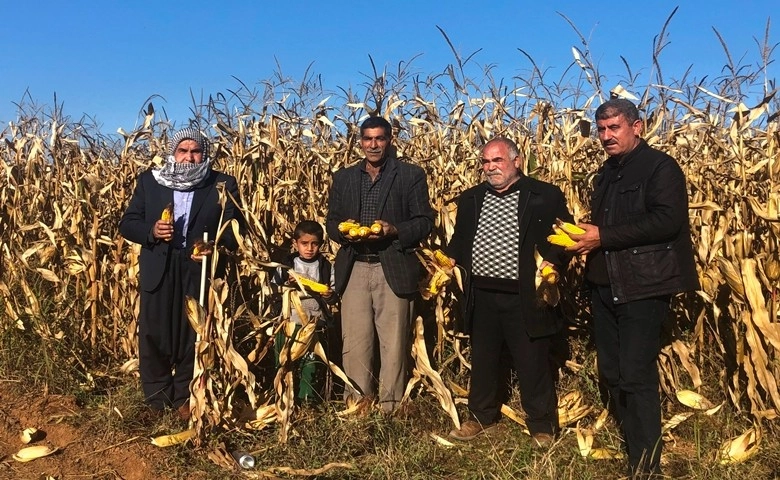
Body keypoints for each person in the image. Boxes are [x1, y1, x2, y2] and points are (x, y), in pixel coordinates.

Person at [566, 99, 699, 476]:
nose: (606, 137)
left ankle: (646, 465)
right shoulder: (607, 173)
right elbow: (607, 228)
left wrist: (602, 236)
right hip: (605, 286)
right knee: (611, 369)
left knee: (636, 373)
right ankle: (634, 443)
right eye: (601, 130)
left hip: (643, 285)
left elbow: (667, 221)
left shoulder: (660, 167)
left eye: (614, 128)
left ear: (636, 127)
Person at [445, 136, 573, 448]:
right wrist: (445, 261)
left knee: (533, 361)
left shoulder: (544, 195)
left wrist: (551, 267)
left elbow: (564, 236)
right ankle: (480, 416)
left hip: (526, 296)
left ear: (517, 161)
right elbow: (461, 240)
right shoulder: (472, 198)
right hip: (483, 294)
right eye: (486, 162)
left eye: (497, 160)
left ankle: (542, 425)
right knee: (485, 359)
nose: (490, 168)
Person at [119, 126, 243, 420]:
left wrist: (213, 245)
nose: (189, 157)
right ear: (173, 152)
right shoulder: (151, 182)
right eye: (183, 150)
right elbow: (128, 223)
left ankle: (184, 399)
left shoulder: (221, 183)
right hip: (160, 263)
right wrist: (151, 230)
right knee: (154, 333)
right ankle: (156, 400)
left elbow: (236, 228)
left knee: (193, 333)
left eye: (195, 151)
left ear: (205, 154)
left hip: (199, 266)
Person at [326, 116, 434, 413]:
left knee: (394, 343)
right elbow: (331, 221)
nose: (373, 145)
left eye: (380, 138)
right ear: (359, 141)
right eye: (368, 139)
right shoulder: (344, 178)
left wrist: (395, 230)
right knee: (356, 345)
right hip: (355, 267)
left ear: (390, 140)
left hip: (393, 266)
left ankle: (391, 409)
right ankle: (357, 407)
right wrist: (343, 231)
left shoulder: (410, 175)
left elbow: (425, 220)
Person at [271, 220, 337, 405]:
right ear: (295, 243)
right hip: (289, 321)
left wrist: (328, 294)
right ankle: (283, 398)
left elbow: (333, 296)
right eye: (304, 244)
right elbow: (273, 291)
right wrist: (286, 285)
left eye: (314, 244)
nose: (309, 248)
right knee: (285, 362)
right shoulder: (286, 265)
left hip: (315, 322)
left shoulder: (325, 267)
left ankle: (308, 400)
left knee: (311, 364)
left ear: (321, 245)